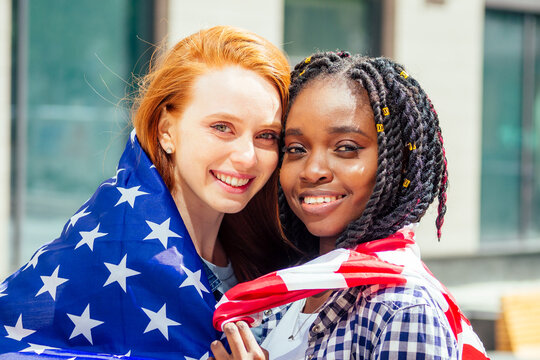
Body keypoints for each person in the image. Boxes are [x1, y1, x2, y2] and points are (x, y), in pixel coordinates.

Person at [0, 26, 294, 359]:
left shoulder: (266, 244)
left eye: (267, 136)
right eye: (221, 127)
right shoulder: (113, 245)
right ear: (166, 130)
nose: (247, 156)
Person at [211, 52, 489, 359]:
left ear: (398, 164)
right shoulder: (290, 292)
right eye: (296, 149)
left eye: (346, 148)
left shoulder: (403, 309)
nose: (312, 170)